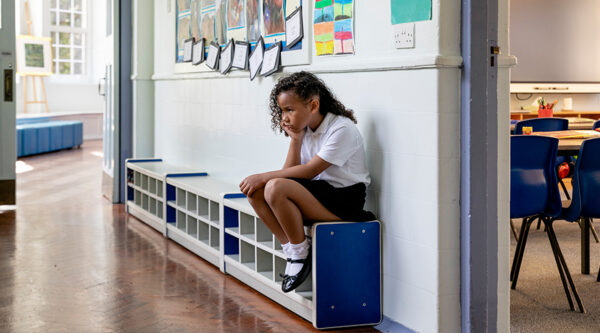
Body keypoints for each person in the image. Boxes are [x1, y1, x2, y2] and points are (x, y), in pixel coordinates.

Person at [239, 71, 375, 293]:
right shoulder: (307, 130)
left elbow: (310, 171)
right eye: (282, 110)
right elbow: (288, 174)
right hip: (320, 194)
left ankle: (300, 254)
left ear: (313, 106)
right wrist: (295, 140)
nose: (284, 117)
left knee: (271, 185)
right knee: (257, 192)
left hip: (344, 201)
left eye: (289, 110)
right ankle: (293, 249)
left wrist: (263, 176)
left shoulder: (341, 128)